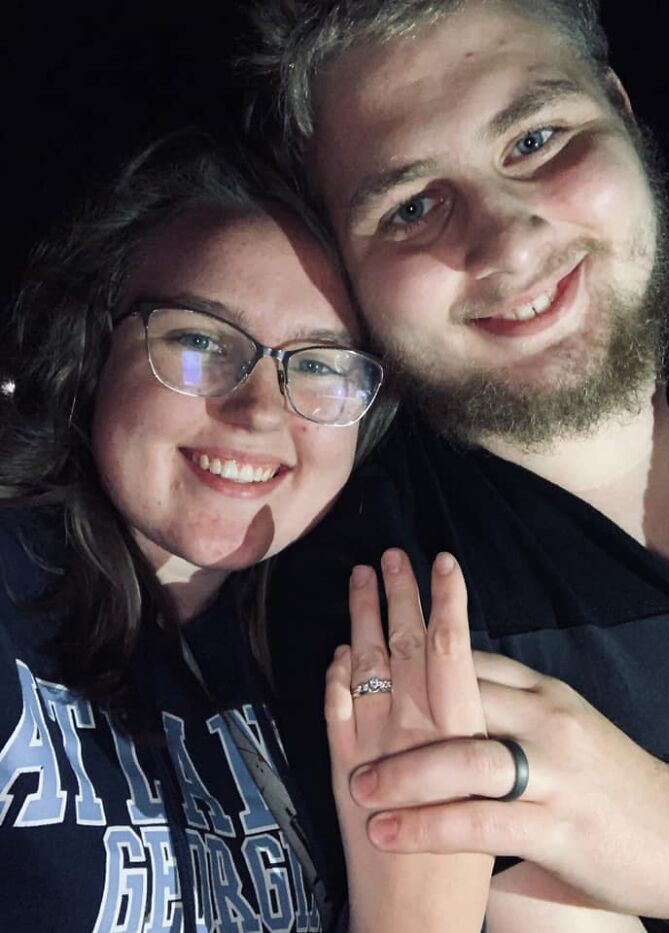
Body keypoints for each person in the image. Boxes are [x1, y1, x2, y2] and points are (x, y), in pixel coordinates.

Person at [236, 1, 669, 930]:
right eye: (410, 206)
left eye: (535, 137)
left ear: (620, 107)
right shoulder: (394, 591)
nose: (505, 242)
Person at [0, 137, 492, 932]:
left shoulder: (330, 667)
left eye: (324, 366)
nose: (261, 409)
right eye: (199, 340)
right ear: (94, 349)